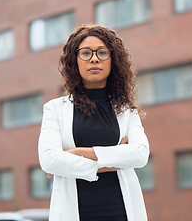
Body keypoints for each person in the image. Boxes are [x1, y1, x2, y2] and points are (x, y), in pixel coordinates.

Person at [38, 24, 150, 221]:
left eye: (102, 52)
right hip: (75, 213)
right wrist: (112, 162)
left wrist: (77, 154)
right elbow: (49, 160)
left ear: (113, 61)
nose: (94, 58)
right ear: (75, 61)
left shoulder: (126, 109)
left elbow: (140, 154)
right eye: (86, 53)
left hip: (121, 212)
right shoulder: (54, 109)